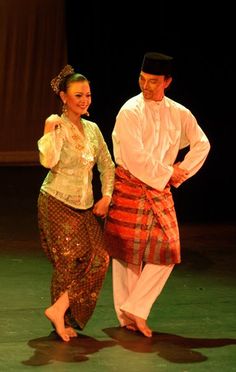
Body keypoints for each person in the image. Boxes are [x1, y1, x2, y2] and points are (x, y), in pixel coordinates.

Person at [104, 52, 210, 338]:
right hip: (131, 183)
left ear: (167, 82)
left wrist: (182, 171)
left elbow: (202, 144)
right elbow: (135, 157)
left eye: (153, 81)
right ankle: (126, 317)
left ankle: (136, 307)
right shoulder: (130, 110)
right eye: (142, 79)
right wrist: (169, 173)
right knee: (128, 253)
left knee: (168, 249)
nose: (146, 86)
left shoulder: (179, 112)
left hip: (159, 187)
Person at [37, 65, 115, 342]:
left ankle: (59, 309)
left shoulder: (93, 129)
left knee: (100, 259)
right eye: (78, 95)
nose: (84, 100)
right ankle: (62, 320)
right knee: (68, 262)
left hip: (85, 204)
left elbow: (107, 165)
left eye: (88, 95)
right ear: (64, 97)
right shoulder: (57, 125)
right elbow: (48, 161)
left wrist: (106, 196)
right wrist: (48, 129)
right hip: (56, 200)